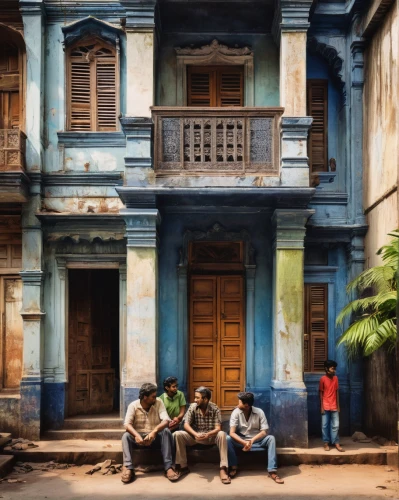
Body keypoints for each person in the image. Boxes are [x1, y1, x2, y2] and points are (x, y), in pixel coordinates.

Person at [121, 382, 179, 484]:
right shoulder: (133, 406)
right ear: (145, 397)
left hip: (154, 437)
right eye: (153, 397)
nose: (155, 398)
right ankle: (129, 468)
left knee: (166, 431)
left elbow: (166, 420)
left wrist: (154, 432)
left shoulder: (159, 402)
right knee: (125, 436)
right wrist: (137, 435)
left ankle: (168, 467)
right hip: (138, 438)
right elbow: (127, 425)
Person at [174, 386, 230, 484]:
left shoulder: (214, 408)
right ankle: (183, 467)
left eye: (197, 398)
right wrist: (195, 434)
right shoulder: (192, 407)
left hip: (210, 437)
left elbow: (218, 428)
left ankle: (223, 468)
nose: (195, 400)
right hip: (195, 437)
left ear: (205, 399)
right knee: (177, 434)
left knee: (222, 434)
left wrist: (208, 434)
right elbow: (186, 424)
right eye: (195, 397)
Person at [227, 391, 284, 484]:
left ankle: (272, 471)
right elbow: (232, 433)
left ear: (246, 405)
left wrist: (252, 440)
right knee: (227, 439)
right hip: (241, 439)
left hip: (257, 439)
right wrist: (244, 443)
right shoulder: (236, 412)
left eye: (239, 402)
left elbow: (264, 431)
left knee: (271, 439)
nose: (237, 404)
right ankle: (233, 466)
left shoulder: (259, 412)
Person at [319, 359, 344, 452]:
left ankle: (336, 442)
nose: (334, 370)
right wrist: (321, 406)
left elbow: (337, 392)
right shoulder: (322, 379)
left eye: (335, 369)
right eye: (332, 369)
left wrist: (338, 405)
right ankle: (326, 443)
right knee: (325, 425)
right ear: (326, 369)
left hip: (334, 405)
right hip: (325, 405)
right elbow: (321, 393)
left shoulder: (336, 379)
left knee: (336, 425)